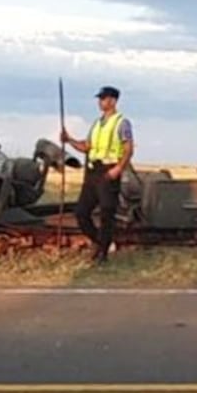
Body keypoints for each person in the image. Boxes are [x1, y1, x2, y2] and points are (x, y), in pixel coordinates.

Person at [61, 85, 134, 264]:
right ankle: (100, 242)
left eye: (103, 99)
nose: (100, 102)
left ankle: (102, 254)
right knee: (81, 212)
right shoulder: (96, 124)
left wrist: (118, 169)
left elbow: (128, 149)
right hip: (93, 172)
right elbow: (87, 146)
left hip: (109, 171)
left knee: (107, 213)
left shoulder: (121, 122)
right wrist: (69, 140)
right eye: (100, 99)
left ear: (113, 101)